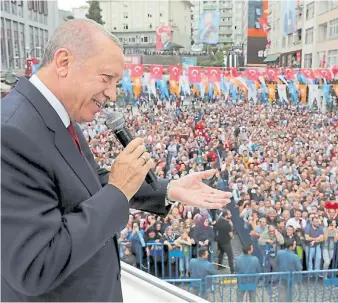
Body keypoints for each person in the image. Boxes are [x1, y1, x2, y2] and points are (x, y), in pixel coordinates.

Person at [1, 19, 231, 302]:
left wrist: (168, 189)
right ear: (63, 62)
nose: (111, 93)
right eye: (106, 78)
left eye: (116, 82)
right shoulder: (11, 133)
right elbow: (34, 266)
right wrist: (118, 192)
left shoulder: (52, 116)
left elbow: (90, 182)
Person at [214, 209, 235, 274]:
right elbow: (231, 235)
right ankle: (232, 270)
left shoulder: (218, 221)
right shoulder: (227, 224)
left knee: (221, 253)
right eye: (229, 214)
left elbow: (215, 230)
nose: (230, 215)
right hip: (226, 242)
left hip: (219, 241)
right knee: (230, 256)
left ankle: (219, 266)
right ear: (226, 216)